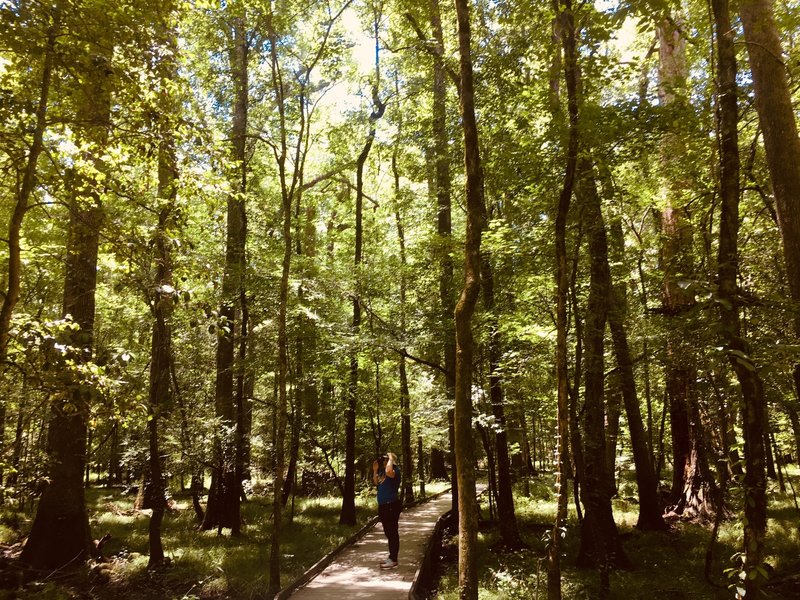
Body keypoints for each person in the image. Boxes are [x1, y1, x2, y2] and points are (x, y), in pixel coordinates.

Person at [373, 452, 401, 569]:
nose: (384, 462)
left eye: (386, 460)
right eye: (383, 460)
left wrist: (390, 457)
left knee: (392, 532)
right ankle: (391, 557)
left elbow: (389, 471)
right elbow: (376, 483)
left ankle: (394, 559)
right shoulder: (382, 471)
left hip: (391, 505)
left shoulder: (394, 471)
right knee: (388, 532)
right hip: (383, 506)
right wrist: (375, 470)